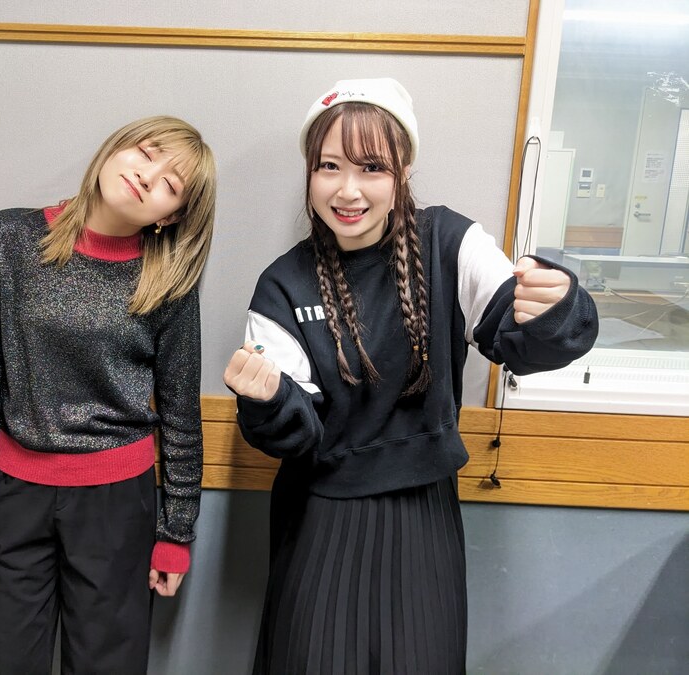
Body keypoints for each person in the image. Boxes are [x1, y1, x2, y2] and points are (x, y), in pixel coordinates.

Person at [223, 78, 598, 674]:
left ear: (402, 172)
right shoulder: (283, 284)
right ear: (310, 174)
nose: (348, 190)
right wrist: (266, 400)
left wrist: (556, 310)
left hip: (423, 511)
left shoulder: (449, 242)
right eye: (328, 166)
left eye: (371, 167)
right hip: (321, 514)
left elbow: (521, 343)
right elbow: (294, 433)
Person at [0, 115, 216, 674]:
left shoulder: (168, 280)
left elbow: (181, 415)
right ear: (116, 148)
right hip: (14, 496)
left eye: (170, 183)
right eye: (146, 153)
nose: (147, 176)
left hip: (118, 503)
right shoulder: (12, 236)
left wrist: (176, 531)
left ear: (171, 216)